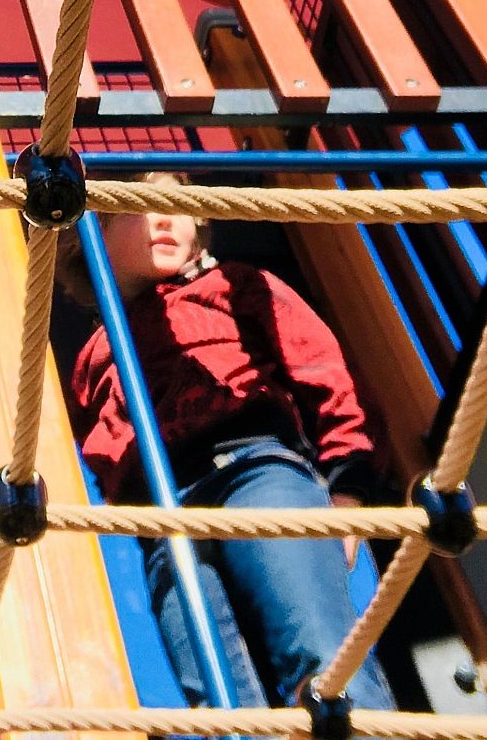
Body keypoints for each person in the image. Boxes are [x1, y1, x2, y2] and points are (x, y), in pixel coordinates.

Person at [60, 184, 397, 712]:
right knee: (215, 702)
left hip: (254, 469)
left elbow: (326, 373)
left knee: (319, 653)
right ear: (98, 235)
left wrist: (347, 490)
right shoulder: (92, 356)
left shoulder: (234, 286)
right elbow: (98, 454)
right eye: (145, 210)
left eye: (183, 213)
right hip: (163, 515)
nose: (168, 221)